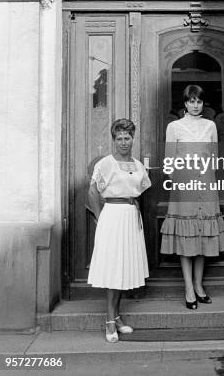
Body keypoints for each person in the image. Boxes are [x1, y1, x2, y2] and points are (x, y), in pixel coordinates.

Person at [160, 85, 224, 309]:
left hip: (207, 184)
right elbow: (169, 161)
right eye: (191, 101)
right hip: (184, 186)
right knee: (186, 234)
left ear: (203, 103)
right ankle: (188, 287)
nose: (195, 105)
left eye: (199, 101)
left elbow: (215, 158)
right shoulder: (174, 127)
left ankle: (199, 285)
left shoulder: (210, 125)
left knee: (203, 234)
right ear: (185, 103)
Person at [88, 118, 151, 343]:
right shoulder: (106, 163)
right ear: (114, 140)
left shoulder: (138, 165)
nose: (124, 142)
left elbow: (138, 193)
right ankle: (109, 320)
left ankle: (118, 316)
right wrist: (99, 216)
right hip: (112, 216)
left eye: (127, 137)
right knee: (114, 268)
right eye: (119, 138)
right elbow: (93, 192)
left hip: (130, 216)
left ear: (133, 139)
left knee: (124, 268)